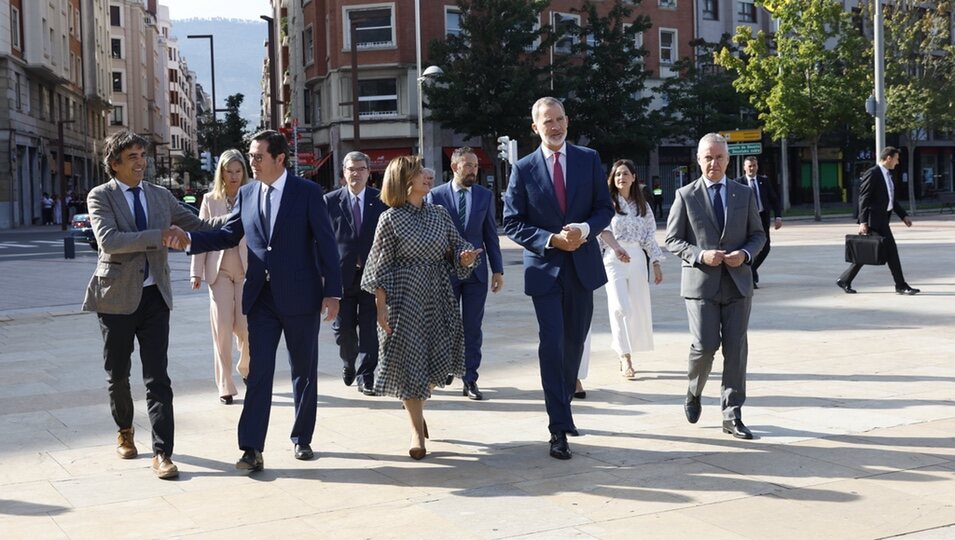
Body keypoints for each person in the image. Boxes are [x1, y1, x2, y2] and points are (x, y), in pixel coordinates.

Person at [184, 130, 342, 471]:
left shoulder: (308, 193)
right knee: (258, 373)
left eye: (257, 157)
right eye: (251, 156)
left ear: (279, 159)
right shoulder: (248, 193)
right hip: (261, 299)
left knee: (304, 371)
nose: (251, 163)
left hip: (301, 296)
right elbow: (229, 234)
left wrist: (333, 292)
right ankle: (252, 447)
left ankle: (302, 438)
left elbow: (327, 244)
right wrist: (188, 241)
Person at [82, 130, 221, 479]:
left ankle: (163, 453)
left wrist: (241, 215)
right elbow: (110, 241)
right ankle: (125, 431)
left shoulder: (160, 196)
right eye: (132, 157)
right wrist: (159, 237)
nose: (141, 162)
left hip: (155, 296)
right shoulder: (101, 196)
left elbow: (200, 224)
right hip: (115, 298)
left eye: (143, 155)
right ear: (114, 164)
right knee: (118, 374)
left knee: (157, 376)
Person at [503, 97, 613, 460]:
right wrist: (551, 239)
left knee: (574, 346)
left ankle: (563, 409)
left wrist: (583, 229)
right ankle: (557, 428)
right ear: (535, 127)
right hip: (546, 270)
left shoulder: (589, 158)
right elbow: (512, 222)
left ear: (568, 121)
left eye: (560, 119)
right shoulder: (522, 169)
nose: (556, 126)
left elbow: (604, 209)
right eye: (548, 121)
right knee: (552, 345)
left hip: (582, 267)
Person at [361, 155, 481, 460]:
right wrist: (380, 307)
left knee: (434, 363)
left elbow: (459, 246)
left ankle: (415, 404)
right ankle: (416, 432)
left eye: (428, 173)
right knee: (410, 362)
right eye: (420, 173)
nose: (428, 176)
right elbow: (378, 266)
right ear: (405, 180)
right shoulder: (390, 219)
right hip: (404, 298)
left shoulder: (440, 214)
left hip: (437, 296)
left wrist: (466, 257)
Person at [665, 133, 765, 440]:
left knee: (736, 350)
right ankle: (694, 391)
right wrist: (699, 254)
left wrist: (745, 254)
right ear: (698, 160)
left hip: (737, 284)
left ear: (728, 159)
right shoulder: (685, 195)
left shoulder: (743, 193)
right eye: (708, 157)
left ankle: (732, 415)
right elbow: (671, 239)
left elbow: (758, 235)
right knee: (705, 346)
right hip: (701, 285)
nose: (714, 163)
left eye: (719, 157)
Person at [579, 160, 663, 389]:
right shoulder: (607, 204)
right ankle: (624, 355)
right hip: (613, 258)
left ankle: (627, 347)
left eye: (625, 174)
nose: (621, 178)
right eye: (617, 175)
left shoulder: (643, 206)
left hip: (636, 258)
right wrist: (616, 248)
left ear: (634, 177)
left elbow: (649, 236)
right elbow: (601, 230)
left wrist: (655, 262)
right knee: (619, 307)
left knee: (635, 308)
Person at [428, 147, 505, 400]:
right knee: (447, 326)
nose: (473, 169)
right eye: (468, 165)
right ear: (454, 167)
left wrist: (498, 270)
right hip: (446, 272)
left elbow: (490, 235)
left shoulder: (484, 195)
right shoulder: (436, 195)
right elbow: (431, 235)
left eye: (475, 165)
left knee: (473, 327)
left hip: (476, 274)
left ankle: (470, 378)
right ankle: (449, 366)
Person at [189, 149, 251, 405]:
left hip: (248, 271)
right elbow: (201, 234)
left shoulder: (253, 195)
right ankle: (225, 385)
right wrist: (196, 272)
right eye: (229, 172)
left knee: (246, 327)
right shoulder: (209, 200)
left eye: (238, 171)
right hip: (219, 272)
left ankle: (246, 367)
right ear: (221, 173)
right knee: (223, 328)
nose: (234, 176)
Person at [325, 151, 386, 396]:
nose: (356, 173)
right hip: (341, 277)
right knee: (344, 330)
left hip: (372, 277)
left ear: (368, 173)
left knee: (370, 329)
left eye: (361, 169)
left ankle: (366, 375)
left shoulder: (381, 200)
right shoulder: (329, 201)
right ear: (344, 173)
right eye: (351, 169)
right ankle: (349, 362)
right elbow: (321, 240)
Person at [837, 146, 920, 295]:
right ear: (888, 158)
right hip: (873, 221)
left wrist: (903, 215)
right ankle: (900, 285)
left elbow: (890, 199)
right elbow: (863, 198)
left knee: (867, 252)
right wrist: (863, 222)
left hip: (882, 220)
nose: (898, 162)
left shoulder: (887, 175)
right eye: (896, 158)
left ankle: (845, 280)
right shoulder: (873, 173)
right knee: (891, 252)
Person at [735, 156, 782, 288]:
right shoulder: (738, 183)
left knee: (765, 248)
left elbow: (774, 199)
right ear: (744, 167)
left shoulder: (764, 181)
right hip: (746, 220)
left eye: (754, 165)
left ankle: (751, 271)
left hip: (762, 218)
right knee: (749, 247)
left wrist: (778, 217)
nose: (752, 168)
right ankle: (750, 277)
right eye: (749, 166)